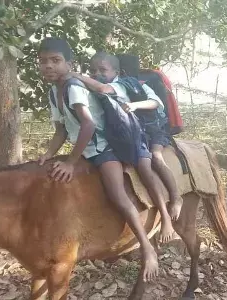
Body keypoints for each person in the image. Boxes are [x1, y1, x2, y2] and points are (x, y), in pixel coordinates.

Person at [37, 37, 158, 282]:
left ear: (69, 64)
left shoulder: (73, 87)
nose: (48, 66)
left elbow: (89, 124)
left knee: (118, 195)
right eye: (43, 62)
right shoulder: (53, 92)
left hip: (103, 148)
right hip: (84, 149)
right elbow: (61, 129)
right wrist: (49, 153)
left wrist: (70, 162)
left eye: (55, 61)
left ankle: (147, 248)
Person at [69, 52, 181, 243]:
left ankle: (171, 207)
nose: (97, 74)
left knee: (152, 162)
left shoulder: (122, 85)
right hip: (126, 136)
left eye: (102, 70)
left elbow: (155, 102)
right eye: (93, 70)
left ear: (117, 72)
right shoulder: (93, 88)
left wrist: (76, 75)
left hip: (149, 132)